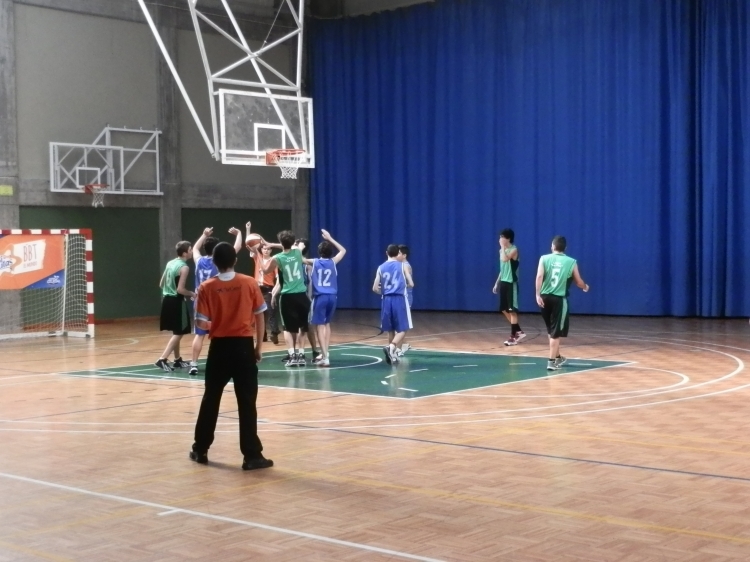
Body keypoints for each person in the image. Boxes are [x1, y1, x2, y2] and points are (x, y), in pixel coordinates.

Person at [190, 242, 273, 470]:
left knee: (211, 398)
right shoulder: (249, 283)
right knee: (247, 401)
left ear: (215, 263)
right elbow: (260, 316)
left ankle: (200, 449)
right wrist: (258, 347)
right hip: (243, 347)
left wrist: (217, 321)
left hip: (219, 348)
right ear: (235, 260)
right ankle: (252, 456)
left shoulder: (206, 287)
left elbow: (201, 324)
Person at [188, 227, 244, 376]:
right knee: (221, 334)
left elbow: (195, 248)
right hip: (215, 301)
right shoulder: (219, 262)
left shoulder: (199, 261)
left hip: (200, 301)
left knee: (199, 335)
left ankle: (193, 364)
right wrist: (239, 233)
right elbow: (237, 247)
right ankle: (222, 363)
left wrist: (203, 235)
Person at [535, 235, 590, 371]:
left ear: (553, 246)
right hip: (558, 299)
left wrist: (537, 294)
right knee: (555, 333)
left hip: (544, 298)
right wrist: (585, 287)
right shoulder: (571, 262)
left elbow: (539, 276)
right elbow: (578, 282)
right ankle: (551, 362)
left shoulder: (544, 258)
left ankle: (558, 356)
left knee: (551, 330)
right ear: (565, 248)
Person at [264, 230, 311, 367]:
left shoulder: (277, 258)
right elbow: (297, 245)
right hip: (302, 295)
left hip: (287, 297)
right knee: (303, 327)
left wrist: (257, 253)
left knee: (287, 328)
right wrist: (274, 244)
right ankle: (301, 355)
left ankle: (292, 356)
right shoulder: (298, 252)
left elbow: (266, 271)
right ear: (293, 242)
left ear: (281, 242)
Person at [302, 229, 346, 367]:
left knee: (319, 326)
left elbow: (300, 259)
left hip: (320, 297)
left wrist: (298, 248)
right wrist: (330, 238)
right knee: (327, 324)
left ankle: (325, 357)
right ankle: (325, 353)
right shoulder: (333, 262)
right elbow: (343, 250)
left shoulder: (314, 262)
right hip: (332, 297)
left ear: (319, 252)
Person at [155, 241, 195, 372]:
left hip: (167, 300)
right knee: (180, 332)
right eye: (190, 249)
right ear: (184, 253)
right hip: (177, 302)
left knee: (177, 331)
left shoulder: (170, 263)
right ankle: (162, 359)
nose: (192, 251)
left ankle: (177, 360)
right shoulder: (184, 267)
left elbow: (161, 284)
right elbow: (180, 289)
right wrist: (192, 294)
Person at [373, 244, 414, 365]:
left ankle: (393, 355)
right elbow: (411, 284)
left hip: (386, 299)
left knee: (390, 329)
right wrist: (403, 286)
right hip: (399, 299)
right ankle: (391, 347)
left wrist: (384, 291)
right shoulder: (402, 265)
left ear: (386, 253)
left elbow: (375, 288)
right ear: (397, 254)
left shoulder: (380, 267)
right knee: (403, 328)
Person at [244, 221, 282, 345]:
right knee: (258, 312)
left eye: (268, 249)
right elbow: (248, 244)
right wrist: (248, 230)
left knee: (271, 312)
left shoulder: (274, 261)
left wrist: (275, 291)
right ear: (262, 249)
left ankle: (274, 333)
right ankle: (262, 335)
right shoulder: (257, 257)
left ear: (270, 251)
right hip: (257, 288)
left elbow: (278, 277)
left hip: (268, 288)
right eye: (264, 248)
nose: (266, 250)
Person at [492, 228, 525, 346]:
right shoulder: (502, 251)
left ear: (508, 238)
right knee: (504, 309)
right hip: (504, 282)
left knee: (512, 311)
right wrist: (497, 283)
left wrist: (502, 247)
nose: (500, 239)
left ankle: (513, 337)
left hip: (512, 283)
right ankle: (519, 331)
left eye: (502, 237)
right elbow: (503, 268)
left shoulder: (514, 250)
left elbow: (505, 259)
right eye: (500, 237)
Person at [395, 244, 413, 357]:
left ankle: (398, 348)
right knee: (398, 324)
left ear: (404, 255)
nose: (396, 255)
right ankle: (403, 345)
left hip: (405, 298)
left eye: (398, 253)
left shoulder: (406, 266)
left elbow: (409, 284)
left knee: (401, 325)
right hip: (399, 298)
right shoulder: (398, 265)